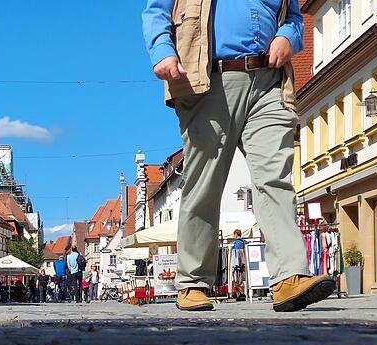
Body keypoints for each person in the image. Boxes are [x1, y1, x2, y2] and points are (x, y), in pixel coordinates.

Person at [142, 0, 335, 312]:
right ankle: (193, 282)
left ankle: (289, 277)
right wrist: (162, 50)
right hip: (208, 80)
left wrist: (287, 37)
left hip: (270, 82)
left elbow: (294, 18)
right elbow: (156, 11)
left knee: (275, 178)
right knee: (205, 183)